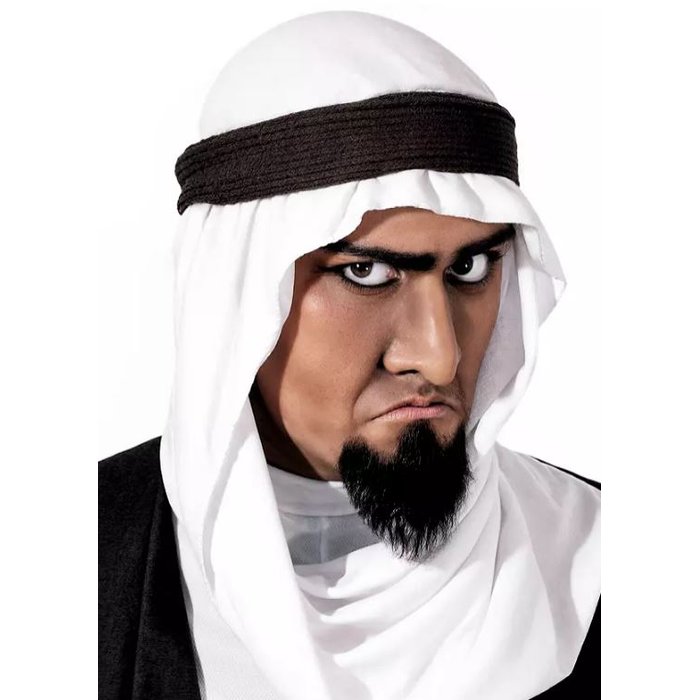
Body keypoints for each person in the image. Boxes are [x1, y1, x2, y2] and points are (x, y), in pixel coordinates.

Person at [99, 11, 600, 700]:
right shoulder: (66, 561)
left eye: (471, 269)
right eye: (366, 273)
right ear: (234, 292)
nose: (439, 356)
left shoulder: (611, 567)